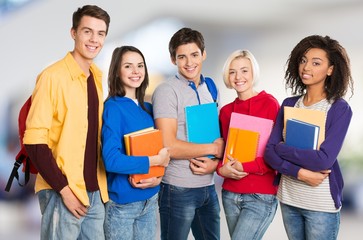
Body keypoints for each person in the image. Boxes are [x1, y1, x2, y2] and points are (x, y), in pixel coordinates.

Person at [23, 5, 110, 240]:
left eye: (100, 33)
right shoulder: (52, 76)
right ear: (73, 33)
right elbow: (34, 141)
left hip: (94, 192)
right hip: (61, 191)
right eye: (87, 32)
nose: (94, 39)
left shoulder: (98, 78)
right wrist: (64, 190)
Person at [264, 35, 354, 240]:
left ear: (330, 69)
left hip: (320, 205)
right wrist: (300, 172)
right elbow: (269, 153)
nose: (306, 67)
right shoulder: (288, 103)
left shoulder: (338, 108)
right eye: (303, 60)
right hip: (289, 199)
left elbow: (323, 159)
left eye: (316, 63)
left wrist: (282, 149)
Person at [152, 27, 224, 240]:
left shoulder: (210, 87)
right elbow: (169, 145)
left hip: (208, 188)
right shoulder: (166, 91)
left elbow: (216, 133)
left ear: (203, 54)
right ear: (173, 59)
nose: (189, 62)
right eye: (181, 57)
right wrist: (214, 149)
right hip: (178, 189)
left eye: (194, 55)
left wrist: (214, 161)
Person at [101, 46, 170, 240]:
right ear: (116, 71)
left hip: (150, 201)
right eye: (128, 66)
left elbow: (162, 153)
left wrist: (157, 177)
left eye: (140, 65)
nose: (136, 71)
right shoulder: (113, 108)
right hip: (123, 206)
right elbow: (111, 160)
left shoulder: (149, 109)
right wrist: (154, 160)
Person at [217, 49, 280, 239]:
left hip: (260, 195)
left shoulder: (270, 104)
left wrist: (245, 166)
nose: (238, 77)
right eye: (232, 71)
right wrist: (221, 169)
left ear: (253, 73)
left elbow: (275, 153)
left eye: (244, 70)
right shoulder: (226, 112)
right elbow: (222, 154)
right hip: (230, 194)